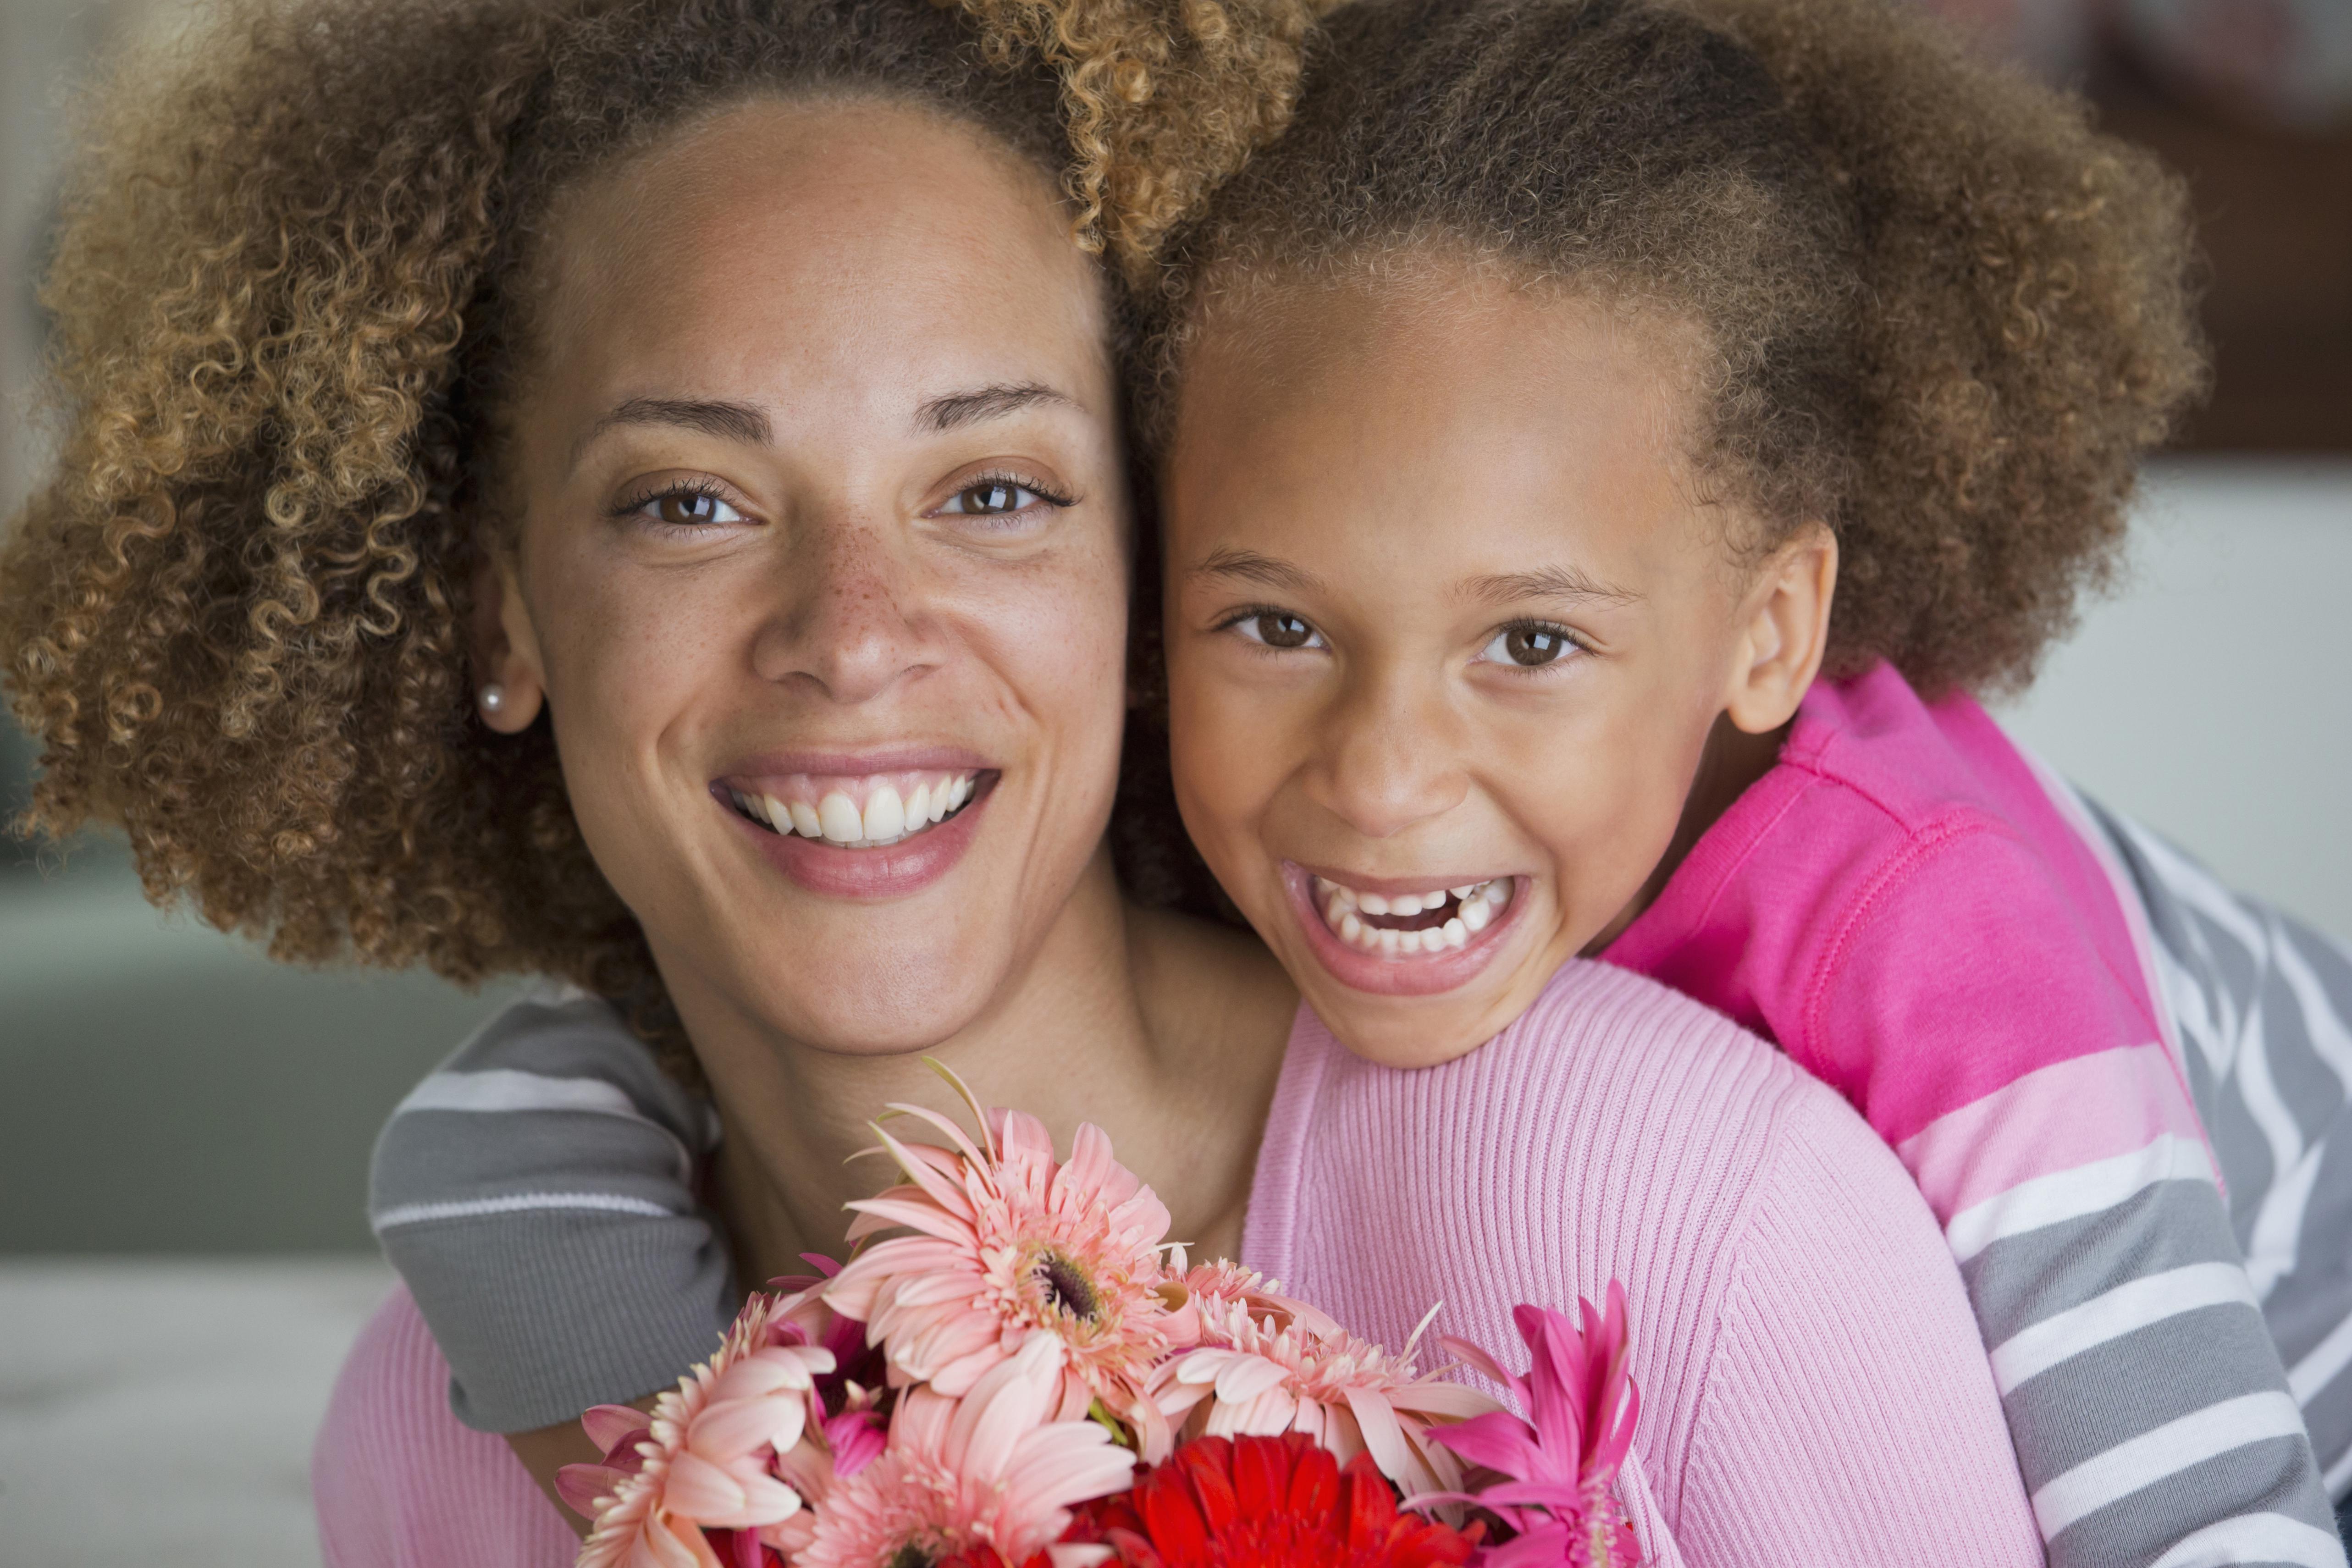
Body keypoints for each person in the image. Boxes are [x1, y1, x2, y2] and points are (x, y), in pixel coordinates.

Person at [0, 0, 2046, 1561]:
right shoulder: (457, 1435)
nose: (854, 631)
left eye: (990, 489)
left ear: (1151, 570)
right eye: (691, 500)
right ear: (497, 614)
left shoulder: (1671, 1211)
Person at [1132, 0, 2352, 1563]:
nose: (1378, 775)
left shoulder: (1938, 942)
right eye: (1277, 624)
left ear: (1771, 631)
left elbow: (2211, 1518)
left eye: (1527, 639)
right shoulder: (1175, 813)